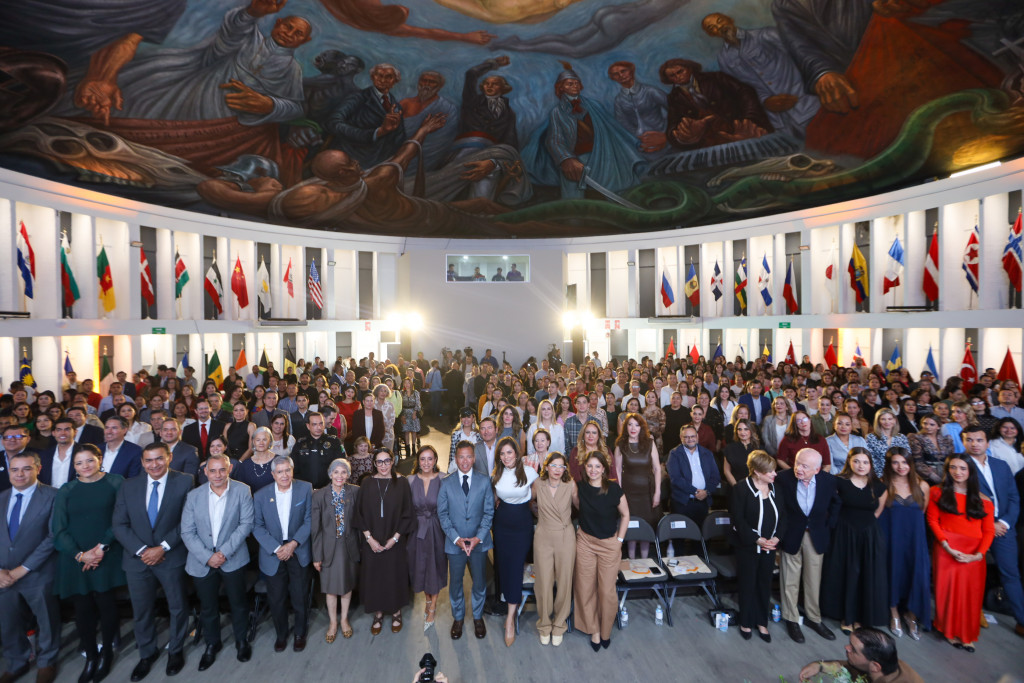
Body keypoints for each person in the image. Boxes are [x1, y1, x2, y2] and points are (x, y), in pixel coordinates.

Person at [111, 442, 193, 681]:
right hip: (137, 560)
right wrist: (142, 550)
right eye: (148, 460)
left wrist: (163, 547)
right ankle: (146, 653)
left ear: (169, 457)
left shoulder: (185, 481)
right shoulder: (129, 485)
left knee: (177, 607)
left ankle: (175, 650)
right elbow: (119, 524)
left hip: (171, 555)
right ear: (142, 463)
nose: (154, 464)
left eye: (159, 459)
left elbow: (188, 520)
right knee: (142, 610)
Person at [523, 61, 643, 200]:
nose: (574, 86)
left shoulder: (594, 105)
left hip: (602, 154)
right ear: (561, 88)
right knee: (572, 181)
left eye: (576, 83)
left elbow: (613, 129)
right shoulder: (557, 112)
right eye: (569, 84)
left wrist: (635, 143)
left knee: (619, 181)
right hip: (575, 157)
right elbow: (554, 140)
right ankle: (573, 217)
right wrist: (566, 159)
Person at [180, 453, 254, 669]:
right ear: (205, 472)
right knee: (208, 607)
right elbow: (187, 531)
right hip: (201, 561)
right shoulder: (194, 495)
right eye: (213, 470)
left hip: (233, 558)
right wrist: (208, 556)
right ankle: (212, 644)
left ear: (229, 468)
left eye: (222, 469)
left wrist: (223, 553)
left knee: (238, 604)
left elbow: (246, 524)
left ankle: (241, 641)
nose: (218, 474)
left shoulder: (242, 490)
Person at [2, 450, 60, 683]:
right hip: (3, 575)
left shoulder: (54, 496)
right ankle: (17, 663)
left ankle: (47, 662)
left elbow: (53, 537)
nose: (20, 474)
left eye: (26, 468)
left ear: (38, 469)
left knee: (46, 620)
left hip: (38, 572)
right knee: (8, 622)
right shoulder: (1, 497)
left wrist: (23, 568)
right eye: (15, 469)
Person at [961, 424, 1024, 637]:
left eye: (979, 440)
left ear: (988, 443)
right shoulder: (958, 465)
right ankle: (970, 614)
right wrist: (988, 525)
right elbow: (961, 501)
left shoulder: (1001, 465)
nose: (974, 444)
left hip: (1003, 528)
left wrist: (1005, 523)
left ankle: (1022, 620)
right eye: (969, 440)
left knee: (1010, 574)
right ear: (963, 442)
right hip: (974, 528)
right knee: (969, 574)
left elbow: (1014, 497)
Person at [927, 455, 994, 652]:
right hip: (947, 548)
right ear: (947, 470)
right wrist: (946, 546)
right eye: (953, 468)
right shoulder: (936, 492)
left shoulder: (984, 500)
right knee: (947, 592)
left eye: (963, 468)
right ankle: (948, 631)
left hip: (974, 553)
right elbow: (933, 521)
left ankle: (966, 635)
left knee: (971, 595)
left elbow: (989, 531)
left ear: (970, 472)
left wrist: (978, 555)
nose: (958, 472)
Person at [821, 447, 888, 633]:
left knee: (865, 575)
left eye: (865, 462)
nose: (861, 465)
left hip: (869, 535)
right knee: (846, 573)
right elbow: (830, 506)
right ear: (849, 462)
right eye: (857, 461)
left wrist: (866, 529)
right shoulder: (838, 482)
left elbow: (877, 512)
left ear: (871, 465)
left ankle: (861, 617)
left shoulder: (879, 486)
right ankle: (846, 616)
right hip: (844, 534)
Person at [775, 448, 839, 644]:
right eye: (797, 463)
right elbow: (777, 507)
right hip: (791, 534)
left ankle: (814, 618)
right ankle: (791, 619)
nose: (798, 468)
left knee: (813, 580)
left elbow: (836, 504)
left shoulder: (828, 481)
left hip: (816, 536)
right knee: (789, 580)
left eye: (804, 466)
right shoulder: (782, 478)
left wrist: (828, 526)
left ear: (817, 469)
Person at [252, 456, 313, 652]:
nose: (284, 475)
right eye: (280, 471)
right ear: (273, 474)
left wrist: (293, 544)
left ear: (292, 471)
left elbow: (310, 519)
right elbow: (257, 526)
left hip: (298, 549)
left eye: (288, 470)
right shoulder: (261, 495)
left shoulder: (305, 488)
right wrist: (278, 549)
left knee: (300, 596)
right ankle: (281, 634)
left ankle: (299, 633)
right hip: (273, 554)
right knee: (276, 599)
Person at [352, 448, 414, 635]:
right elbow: (359, 514)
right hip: (372, 541)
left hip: (394, 539)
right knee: (375, 577)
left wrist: (395, 539)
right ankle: (378, 613)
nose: (384, 465)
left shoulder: (402, 483)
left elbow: (408, 514)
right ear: (374, 464)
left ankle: (395, 611)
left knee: (393, 575)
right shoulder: (367, 483)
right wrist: (369, 539)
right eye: (379, 462)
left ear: (393, 461)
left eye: (387, 461)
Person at [437, 441, 494, 641]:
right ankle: (458, 618)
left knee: (479, 582)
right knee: (456, 584)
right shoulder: (446, 482)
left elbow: (489, 512)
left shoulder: (484, 481)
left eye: (469, 456)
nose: (465, 461)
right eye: (461, 457)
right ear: (456, 458)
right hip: (455, 544)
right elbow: (442, 514)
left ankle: (478, 617)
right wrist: (457, 538)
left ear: (474, 458)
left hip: (479, 543)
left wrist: (478, 538)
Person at [573, 451, 629, 651]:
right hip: (586, 543)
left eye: (597, 466)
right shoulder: (579, 488)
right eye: (590, 466)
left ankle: (606, 629)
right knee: (586, 588)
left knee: (606, 591)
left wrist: (619, 540)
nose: (593, 470)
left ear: (604, 469)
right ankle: (594, 630)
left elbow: (626, 515)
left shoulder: (614, 489)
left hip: (609, 545)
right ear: (585, 468)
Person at [731, 450, 785, 642]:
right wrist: (757, 539)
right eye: (770, 471)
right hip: (748, 546)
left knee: (764, 584)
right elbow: (738, 520)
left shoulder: (776, 488)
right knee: (748, 584)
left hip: (770, 547)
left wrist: (776, 538)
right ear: (756, 472)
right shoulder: (740, 489)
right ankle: (745, 621)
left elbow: (783, 517)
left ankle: (762, 621)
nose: (774, 474)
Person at [490, 436, 539, 646]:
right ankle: (509, 606)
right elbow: (494, 499)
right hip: (501, 525)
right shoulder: (496, 474)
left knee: (516, 567)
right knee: (504, 566)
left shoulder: (528, 471)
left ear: (517, 453)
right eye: (502, 453)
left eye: (509, 452)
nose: (506, 457)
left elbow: (536, 492)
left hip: (521, 525)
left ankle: (510, 619)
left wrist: (527, 502)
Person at [879, 447, 930, 640]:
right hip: (892, 539)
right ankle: (894, 615)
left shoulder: (922, 485)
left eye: (905, 462)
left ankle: (911, 616)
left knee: (916, 577)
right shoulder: (884, 484)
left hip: (915, 541)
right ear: (889, 465)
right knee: (893, 574)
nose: (901, 466)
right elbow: (879, 514)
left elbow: (922, 513)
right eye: (896, 462)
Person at [312, 458, 360, 642]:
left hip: (349, 547)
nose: (340, 476)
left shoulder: (355, 491)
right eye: (336, 472)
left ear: (348, 475)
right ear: (330, 474)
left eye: (344, 472)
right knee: (330, 588)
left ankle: (345, 619)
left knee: (346, 586)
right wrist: (317, 555)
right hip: (327, 549)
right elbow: (315, 529)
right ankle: (333, 622)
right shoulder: (319, 495)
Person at [531, 451, 576, 646]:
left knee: (565, 581)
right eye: (554, 465)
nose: (557, 470)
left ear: (565, 469)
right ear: (546, 466)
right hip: (543, 536)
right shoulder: (538, 485)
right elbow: (524, 500)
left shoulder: (570, 485)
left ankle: (559, 624)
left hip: (565, 535)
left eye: (561, 466)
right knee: (543, 581)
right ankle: (544, 624)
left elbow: (582, 506)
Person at [407, 446, 446, 632]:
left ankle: (432, 607)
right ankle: (427, 599)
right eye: (423, 459)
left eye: (430, 459)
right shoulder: (410, 480)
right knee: (420, 566)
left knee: (435, 567)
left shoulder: (444, 479)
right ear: (418, 461)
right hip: (417, 530)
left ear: (436, 460)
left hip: (437, 529)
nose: (426, 463)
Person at [798, 627, 924, 683]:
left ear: (875, 666)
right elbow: (848, 667)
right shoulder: (885, 664)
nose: (846, 648)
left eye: (853, 649)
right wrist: (819, 666)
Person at [613, 412, 661, 559]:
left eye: (636, 424)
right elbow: (618, 471)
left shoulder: (650, 443)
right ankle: (632, 559)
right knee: (632, 525)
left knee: (645, 526)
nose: (633, 428)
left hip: (647, 492)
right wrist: (620, 494)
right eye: (630, 424)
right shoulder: (620, 445)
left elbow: (657, 468)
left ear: (641, 427)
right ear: (625, 427)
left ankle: (646, 560)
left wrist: (657, 492)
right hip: (628, 493)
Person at [667, 424, 720, 525]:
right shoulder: (674, 454)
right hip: (682, 502)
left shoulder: (707, 453)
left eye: (692, 436)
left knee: (701, 536)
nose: (690, 439)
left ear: (697, 437)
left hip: (703, 501)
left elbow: (715, 477)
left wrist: (706, 491)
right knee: (679, 536)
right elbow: (676, 478)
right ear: (681, 438)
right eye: (686, 437)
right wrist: (695, 491)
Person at [292, 412, 344, 489]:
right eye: (314, 424)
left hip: (329, 488)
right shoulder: (300, 443)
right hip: (305, 489)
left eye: (321, 424)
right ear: (308, 426)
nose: (319, 427)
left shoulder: (334, 441)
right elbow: (294, 468)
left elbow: (341, 464)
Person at [907, 414, 953, 485]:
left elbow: (951, 459)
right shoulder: (916, 439)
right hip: (926, 478)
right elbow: (917, 463)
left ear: (938, 426)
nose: (928, 427)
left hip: (947, 477)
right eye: (925, 423)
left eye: (932, 424)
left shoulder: (946, 440)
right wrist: (935, 478)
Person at [866, 409, 911, 477]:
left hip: (901, 473)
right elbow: (870, 460)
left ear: (895, 420)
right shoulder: (871, 437)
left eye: (890, 419)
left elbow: (908, 457)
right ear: (878, 421)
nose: (887, 422)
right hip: (880, 475)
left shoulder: (902, 437)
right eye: (883, 419)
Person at [722, 418, 760, 488]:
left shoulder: (759, 449)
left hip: (756, 486)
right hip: (735, 486)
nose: (742, 432)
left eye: (746, 429)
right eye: (739, 429)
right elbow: (726, 471)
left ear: (751, 431)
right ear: (736, 431)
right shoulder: (729, 448)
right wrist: (737, 487)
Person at [373, 384, 397, 452]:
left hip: (388, 434)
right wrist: (380, 429)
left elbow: (392, 419)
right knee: (376, 455)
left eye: (385, 391)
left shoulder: (390, 404)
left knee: (388, 454)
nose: (383, 393)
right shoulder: (372, 404)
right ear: (377, 392)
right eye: (381, 391)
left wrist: (386, 429)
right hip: (376, 434)